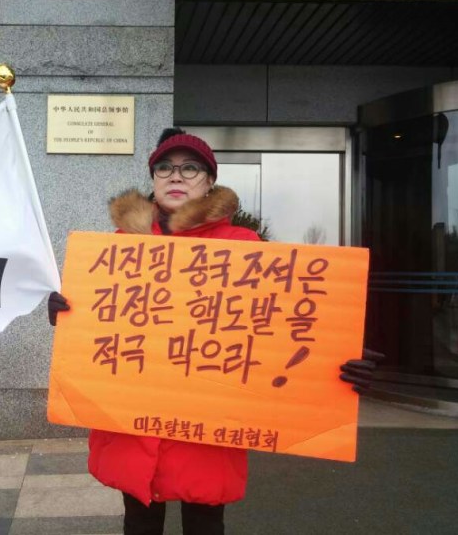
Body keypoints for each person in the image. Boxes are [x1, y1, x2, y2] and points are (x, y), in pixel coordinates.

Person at [47, 127, 381, 535]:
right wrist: (69, 314)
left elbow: (280, 327)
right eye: (165, 168)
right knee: (138, 522)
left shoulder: (243, 247)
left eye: (190, 168)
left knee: (205, 523)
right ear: (153, 180)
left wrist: (339, 352)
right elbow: (98, 329)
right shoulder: (116, 249)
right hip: (132, 422)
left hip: (206, 427)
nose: (175, 176)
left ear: (209, 182)